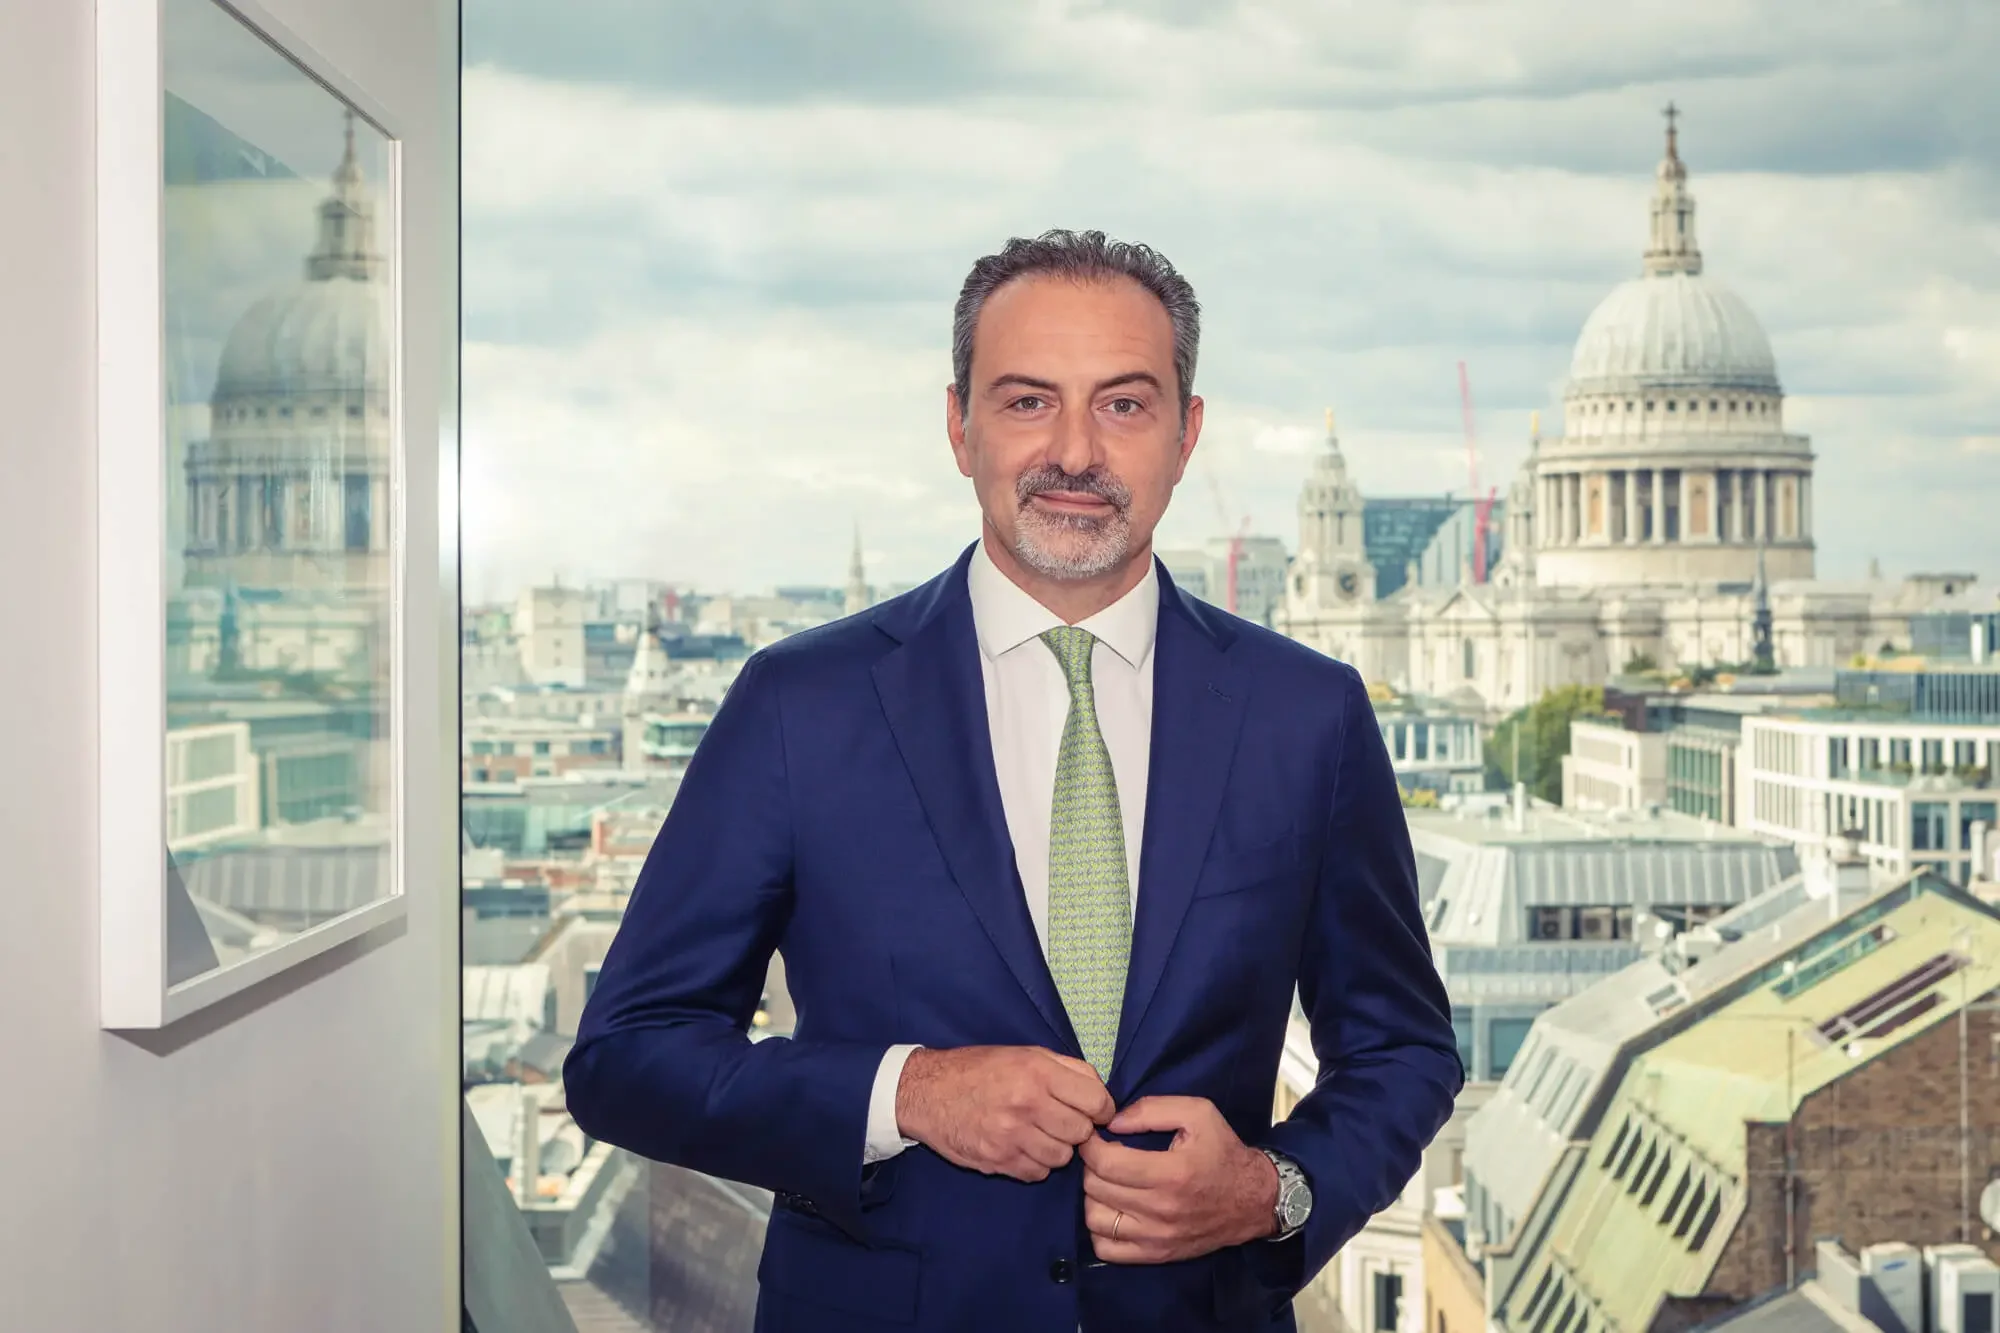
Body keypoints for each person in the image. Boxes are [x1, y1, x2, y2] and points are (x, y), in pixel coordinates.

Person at [565, 229, 1462, 1332]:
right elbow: (624, 1054)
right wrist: (909, 1093)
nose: (1075, 451)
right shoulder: (803, 703)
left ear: (1186, 435)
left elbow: (1401, 1049)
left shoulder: (1305, 714)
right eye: (1027, 401)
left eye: (1124, 405)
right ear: (959, 427)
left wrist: (1269, 1192)